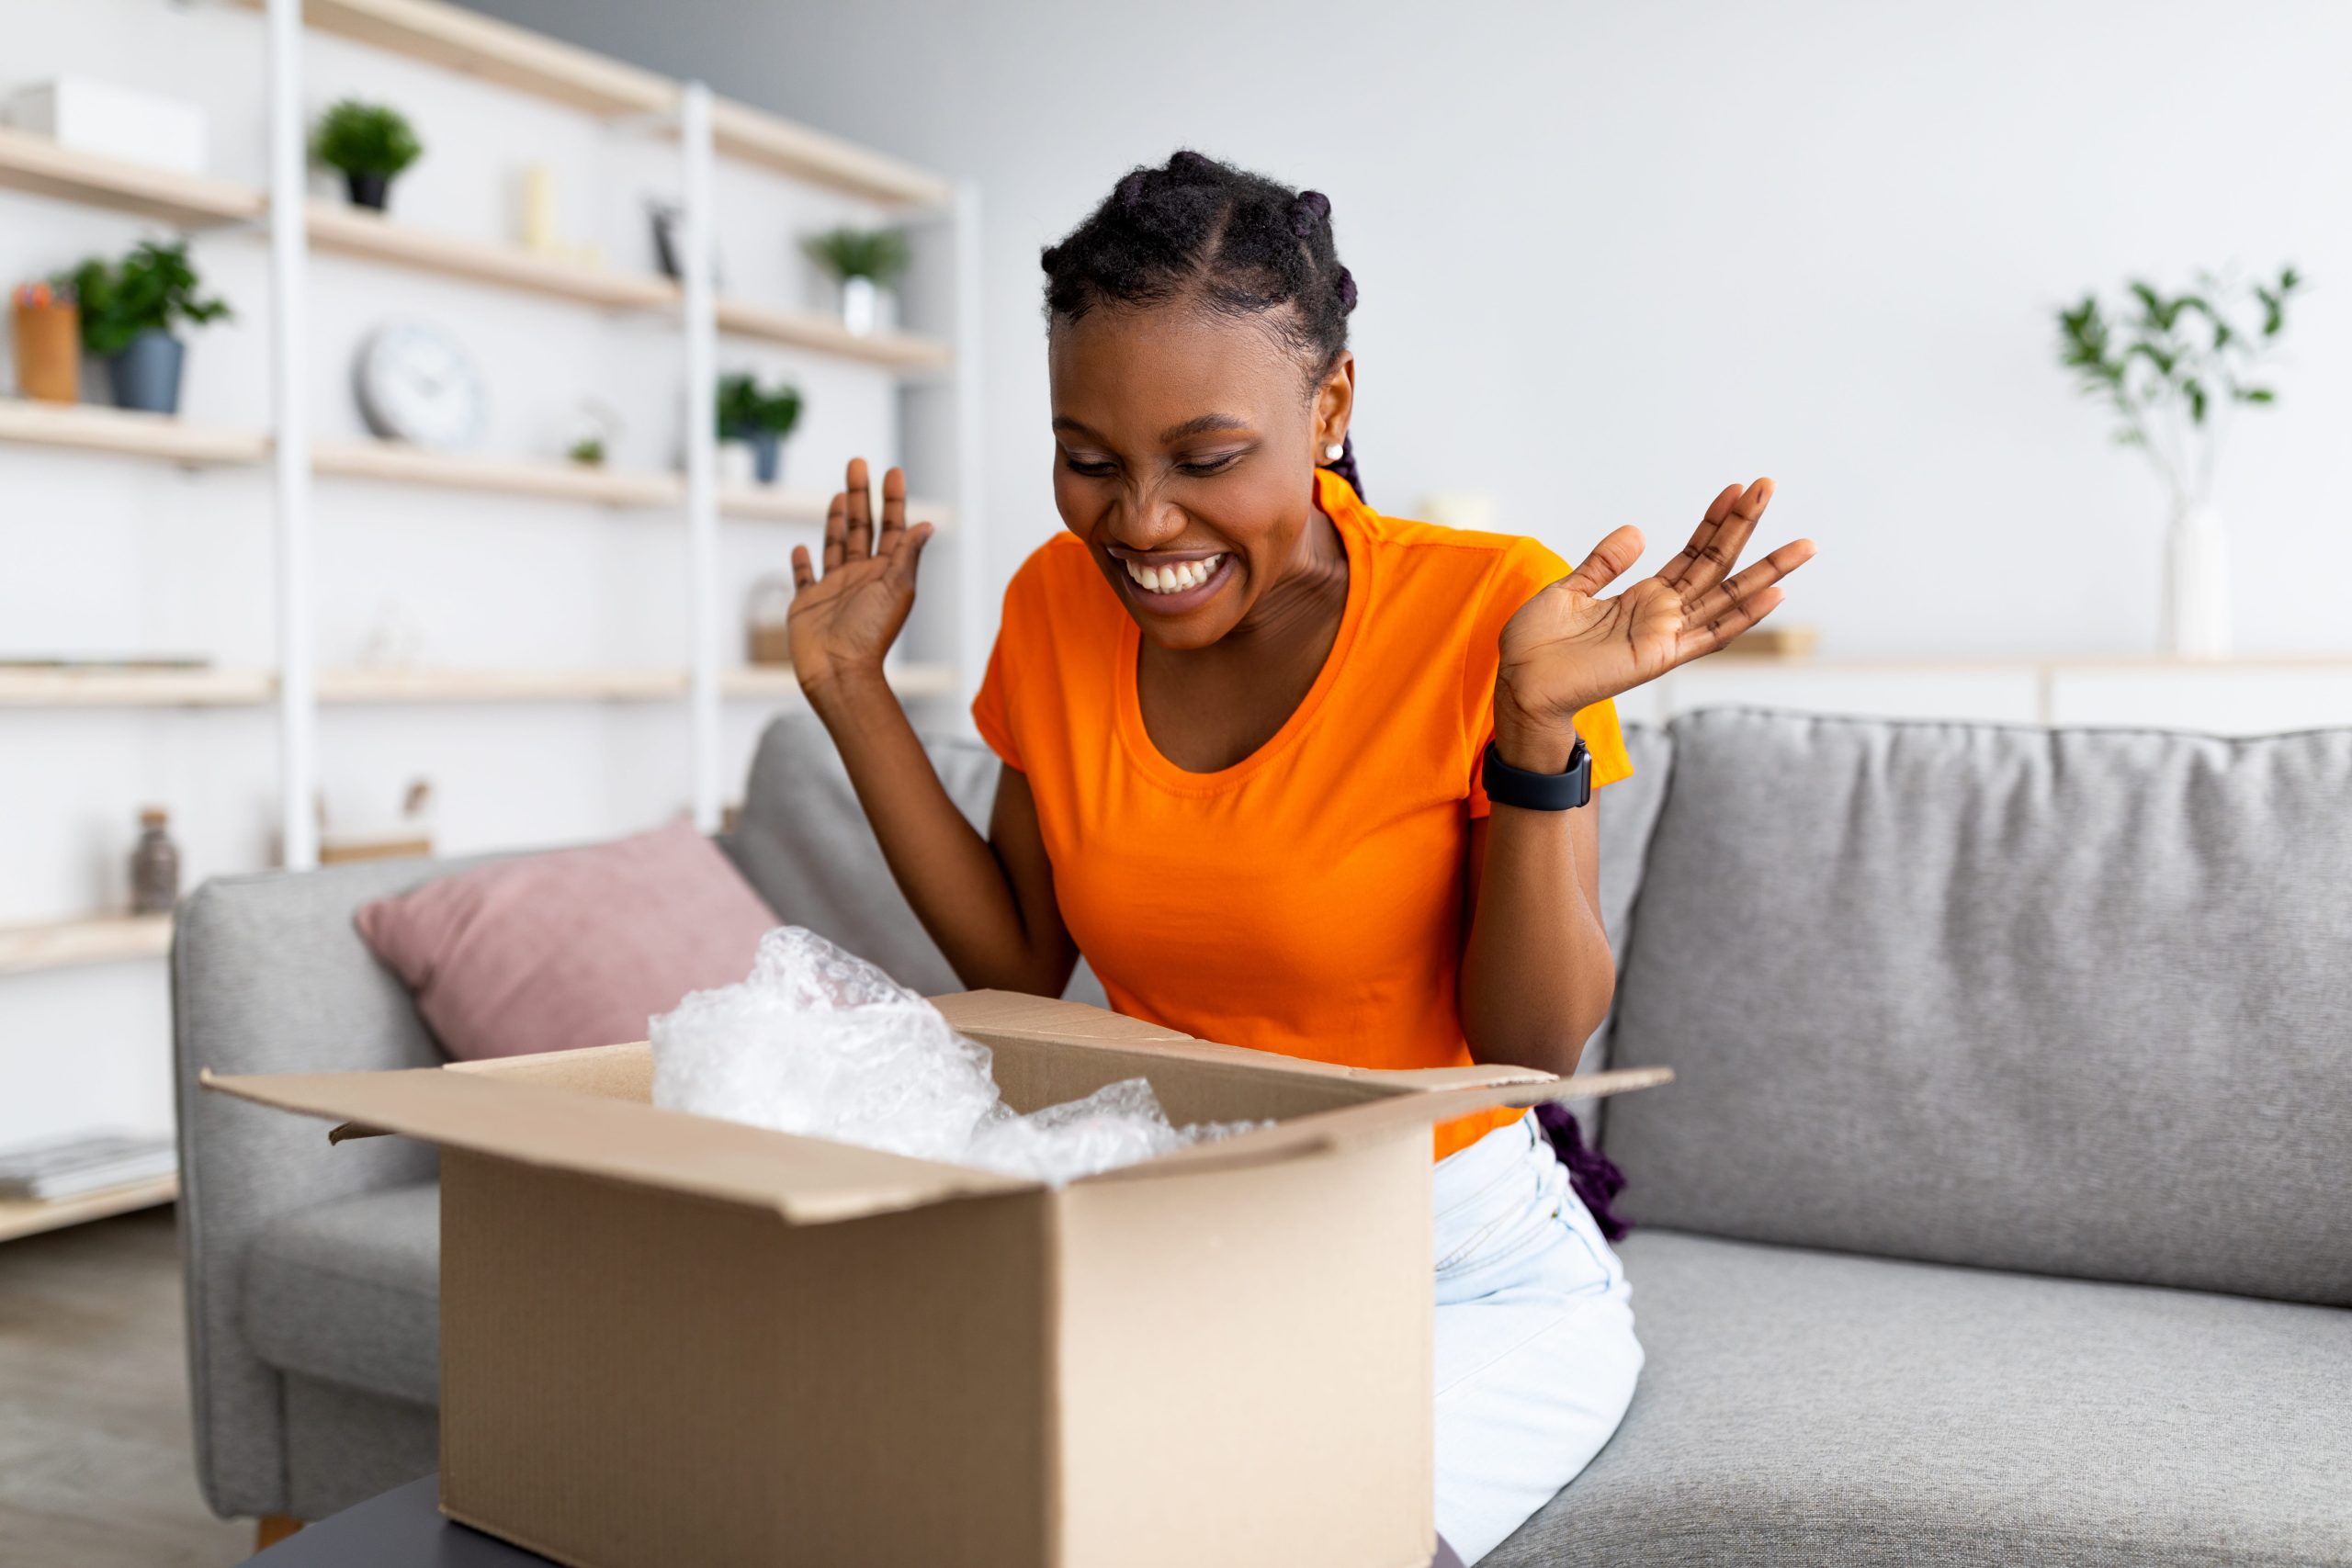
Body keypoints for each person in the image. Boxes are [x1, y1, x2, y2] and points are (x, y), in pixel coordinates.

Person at [786, 149, 1814, 1563]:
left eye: (1206, 461)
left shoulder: (1491, 611)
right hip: (1176, 1231)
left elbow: (1535, 1043)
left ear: (1328, 407)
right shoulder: (1051, 605)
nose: (1140, 524)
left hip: (1455, 1275)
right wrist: (853, 692)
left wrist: (1531, 727)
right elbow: (1021, 961)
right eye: (1089, 462)